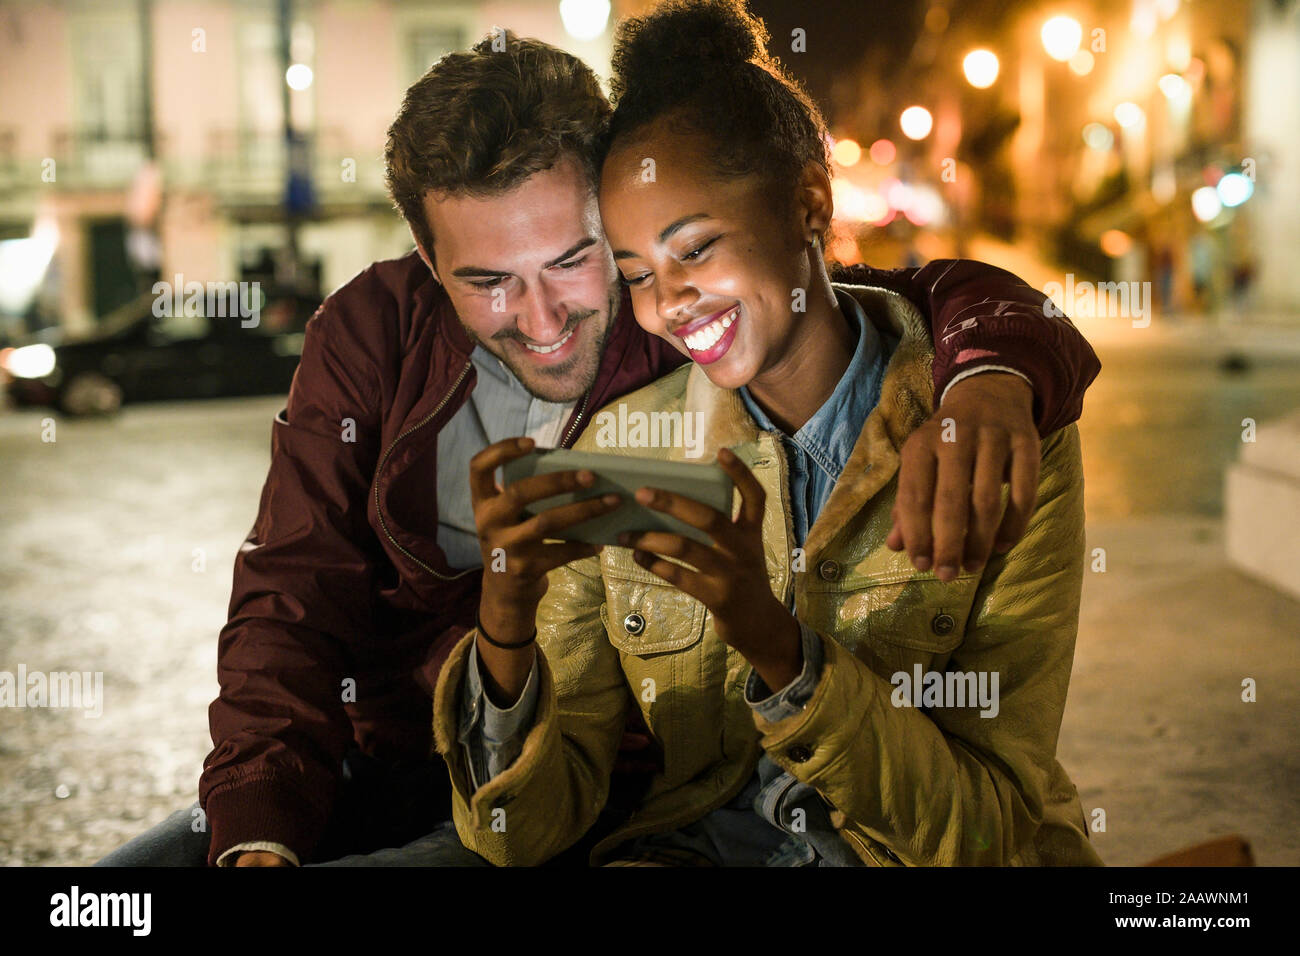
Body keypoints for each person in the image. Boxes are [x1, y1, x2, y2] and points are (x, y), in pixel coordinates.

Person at [97, 25, 1098, 867]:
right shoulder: (377, 334)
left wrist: (995, 372)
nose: (540, 319)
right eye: (487, 279)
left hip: (622, 794)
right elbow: (291, 591)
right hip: (412, 752)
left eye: (577, 261)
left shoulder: (700, 342)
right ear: (429, 262)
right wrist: (260, 833)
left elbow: (879, 295)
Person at [437, 0, 1103, 866]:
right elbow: (520, 837)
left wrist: (776, 646)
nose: (668, 301)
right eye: (637, 273)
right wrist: (503, 629)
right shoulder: (623, 448)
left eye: (698, 247)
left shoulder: (996, 437)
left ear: (809, 206)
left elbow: (985, 830)